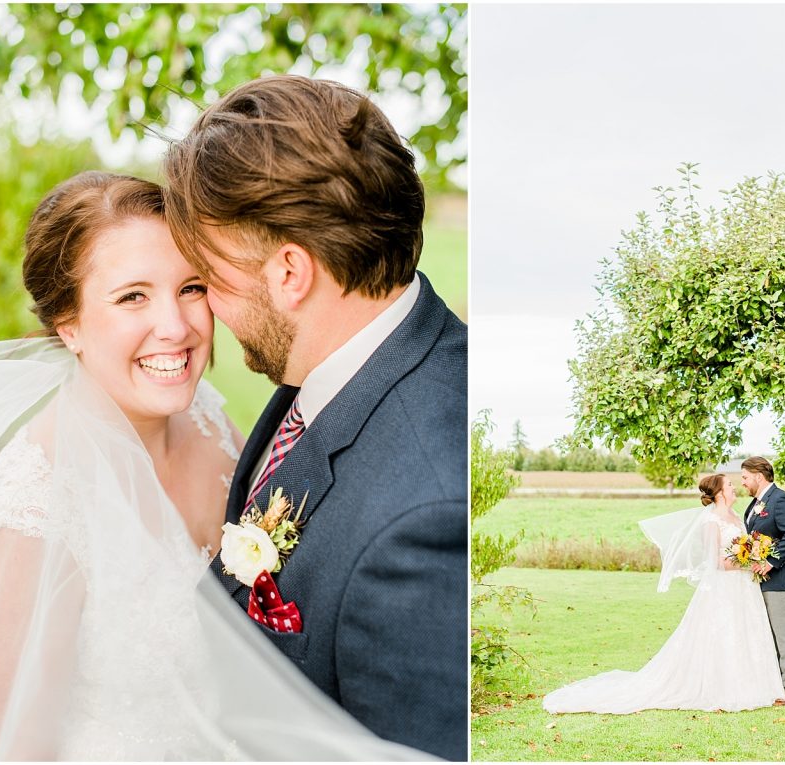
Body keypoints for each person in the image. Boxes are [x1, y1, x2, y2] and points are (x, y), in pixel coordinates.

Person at [0, 172, 425, 761]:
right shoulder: (27, 513)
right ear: (68, 324)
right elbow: (14, 751)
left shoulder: (208, 419)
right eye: (133, 296)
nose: (176, 328)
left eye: (192, 287)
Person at [161, 75, 467, 760]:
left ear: (290, 273)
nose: (204, 306)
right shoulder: (336, 364)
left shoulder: (424, 523)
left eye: (210, 276)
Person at [542, 474, 784, 713]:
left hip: (743, 587)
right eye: (730, 485)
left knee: (745, 630)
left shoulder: (735, 516)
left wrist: (753, 556)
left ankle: (751, 684)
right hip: (725, 586)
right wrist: (748, 561)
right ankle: (722, 688)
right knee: (722, 631)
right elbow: (716, 561)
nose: (735, 487)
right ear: (719, 493)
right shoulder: (711, 520)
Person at [740, 456, 785, 706]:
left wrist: (770, 561)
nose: (743, 483)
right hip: (762, 580)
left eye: (745, 477)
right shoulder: (755, 504)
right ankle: (774, 683)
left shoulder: (781, 500)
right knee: (767, 634)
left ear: (759, 476)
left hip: (783, 580)